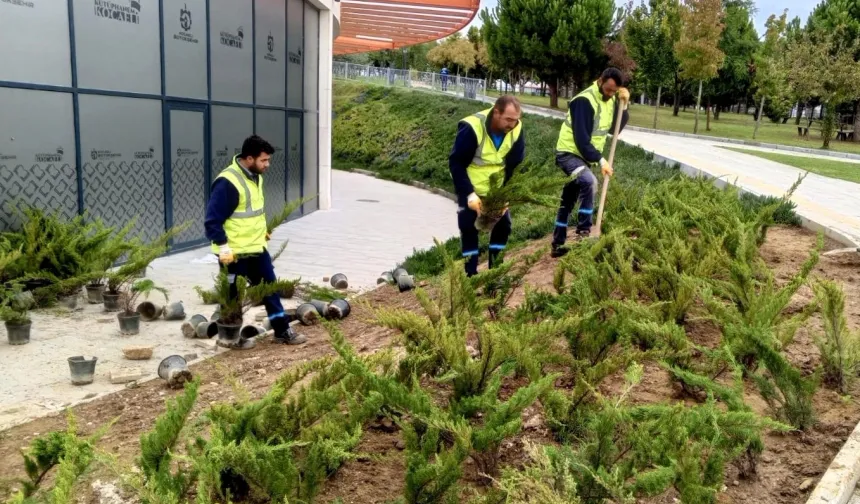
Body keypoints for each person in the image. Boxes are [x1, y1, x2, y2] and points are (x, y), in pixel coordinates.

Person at [204, 135, 307, 349]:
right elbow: (212, 220)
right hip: (233, 254)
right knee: (232, 297)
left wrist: (262, 232)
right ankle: (229, 339)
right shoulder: (228, 182)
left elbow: (250, 213)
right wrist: (223, 247)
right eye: (264, 160)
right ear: (249, 158)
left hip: (256, 248)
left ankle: (282, 330)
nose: (267, 165)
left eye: (268, 160)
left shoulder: (255, 176)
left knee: (270, 288)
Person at [551, 68, 630, 258]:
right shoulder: (584, 101)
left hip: (585, 157)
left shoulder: (610, 100)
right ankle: (584, 233)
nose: (610, 93)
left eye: (614, 91)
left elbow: (614, 129)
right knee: (589, 182)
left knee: (568, 199)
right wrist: (601, 160)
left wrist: (624, 106)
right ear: (600, 80)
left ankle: (557, 244)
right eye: (608, 89)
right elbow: (581, 140)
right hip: (569, 153)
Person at [448, 95, 525, 277]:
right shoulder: (472, 128)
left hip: (496, 190)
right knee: (469, 228)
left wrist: (506, 195)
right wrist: (469, 194)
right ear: (496, 112)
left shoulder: (516, 129)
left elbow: (515, 165)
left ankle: (495, 273)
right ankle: (471, 276)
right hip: (471, 187)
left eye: (515, 120)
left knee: (503, 226)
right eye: (508, 120)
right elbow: (456, 163)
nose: (512, 125)